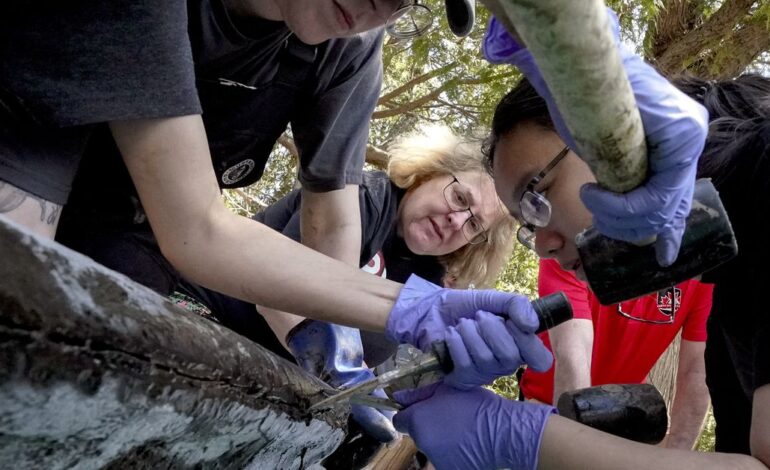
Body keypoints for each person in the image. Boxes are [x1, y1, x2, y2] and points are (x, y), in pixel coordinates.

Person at [0, 0, 552, 426]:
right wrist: (412, 307)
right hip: (33, 143)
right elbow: (197, 225)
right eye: (459, 200)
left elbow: (331, 221)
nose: (381, 6)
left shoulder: (349, 46)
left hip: (136, 225)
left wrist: (337, 342)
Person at [391, 67, 770, 470]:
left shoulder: (764, 164)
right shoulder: (732, 280)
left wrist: (528, 439)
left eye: (537, 193)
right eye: (528, 224)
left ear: (617, 128)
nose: (542, 244)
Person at [172, 126, 518, 442]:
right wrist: (348, 381)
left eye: (473, 225)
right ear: (429, 173)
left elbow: (373, 365)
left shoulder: (428, 281)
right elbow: (279, 300)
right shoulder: (361, 199)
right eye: (459, 199)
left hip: (269, 389)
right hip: (199, 321)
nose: (456, 220)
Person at [520, 259, 713, 449]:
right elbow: (573, 357)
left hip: (621, 420)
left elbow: (696, 372)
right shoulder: (569, 250)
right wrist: (571, 452)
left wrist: (676, 454)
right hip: (546, 410)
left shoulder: (702, 272)